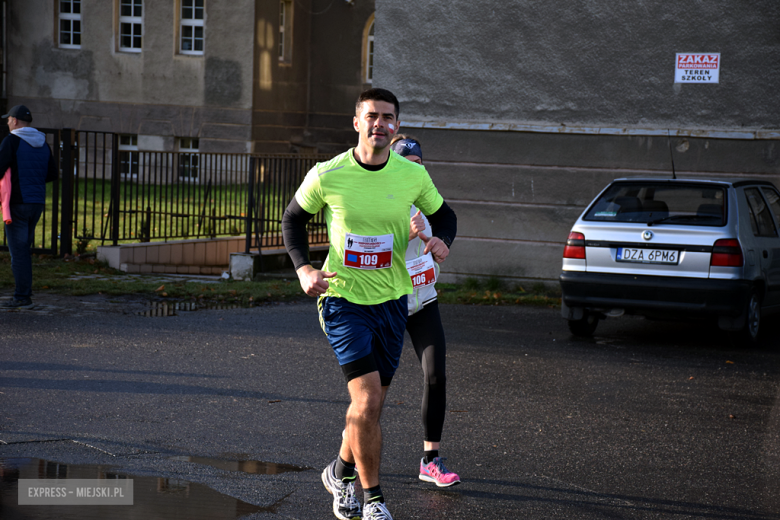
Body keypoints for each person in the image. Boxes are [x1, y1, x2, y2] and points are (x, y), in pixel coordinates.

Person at [282, 88, 457, 520]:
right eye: (372, 116)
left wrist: (440, 240)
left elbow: (447, 215)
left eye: (388, 117)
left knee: (372, 404)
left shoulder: (411, 176)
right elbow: (292, 219)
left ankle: (338, 471)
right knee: (365, 401)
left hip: (394, 301)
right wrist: (304, 268)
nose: (380, 123)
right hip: (343, 300)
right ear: (357, 122)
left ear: (396, 125)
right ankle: (371, 499)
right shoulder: (328, 174)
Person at [390, 135, 460, 487]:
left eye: (418, 164)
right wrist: (408, 233)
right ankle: (351, 455)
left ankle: (430, 459)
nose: (413, 170)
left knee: (436, 375)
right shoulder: (382, 202)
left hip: (424, 302)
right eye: (406, 164)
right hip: (386, 305)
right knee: (373, 387)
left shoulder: (427, 200)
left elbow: (448, 222)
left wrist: (440, 244)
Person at [0, 105, 58, 308]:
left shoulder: (11, 141)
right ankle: (23, 294)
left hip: (17, 203)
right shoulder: (42, 143)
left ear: (15, 121)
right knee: (24, 249)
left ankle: (22, 296)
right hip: (37, 203)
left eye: (8, 120)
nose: (7, 123)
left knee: (19, 252)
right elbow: (52, 174)